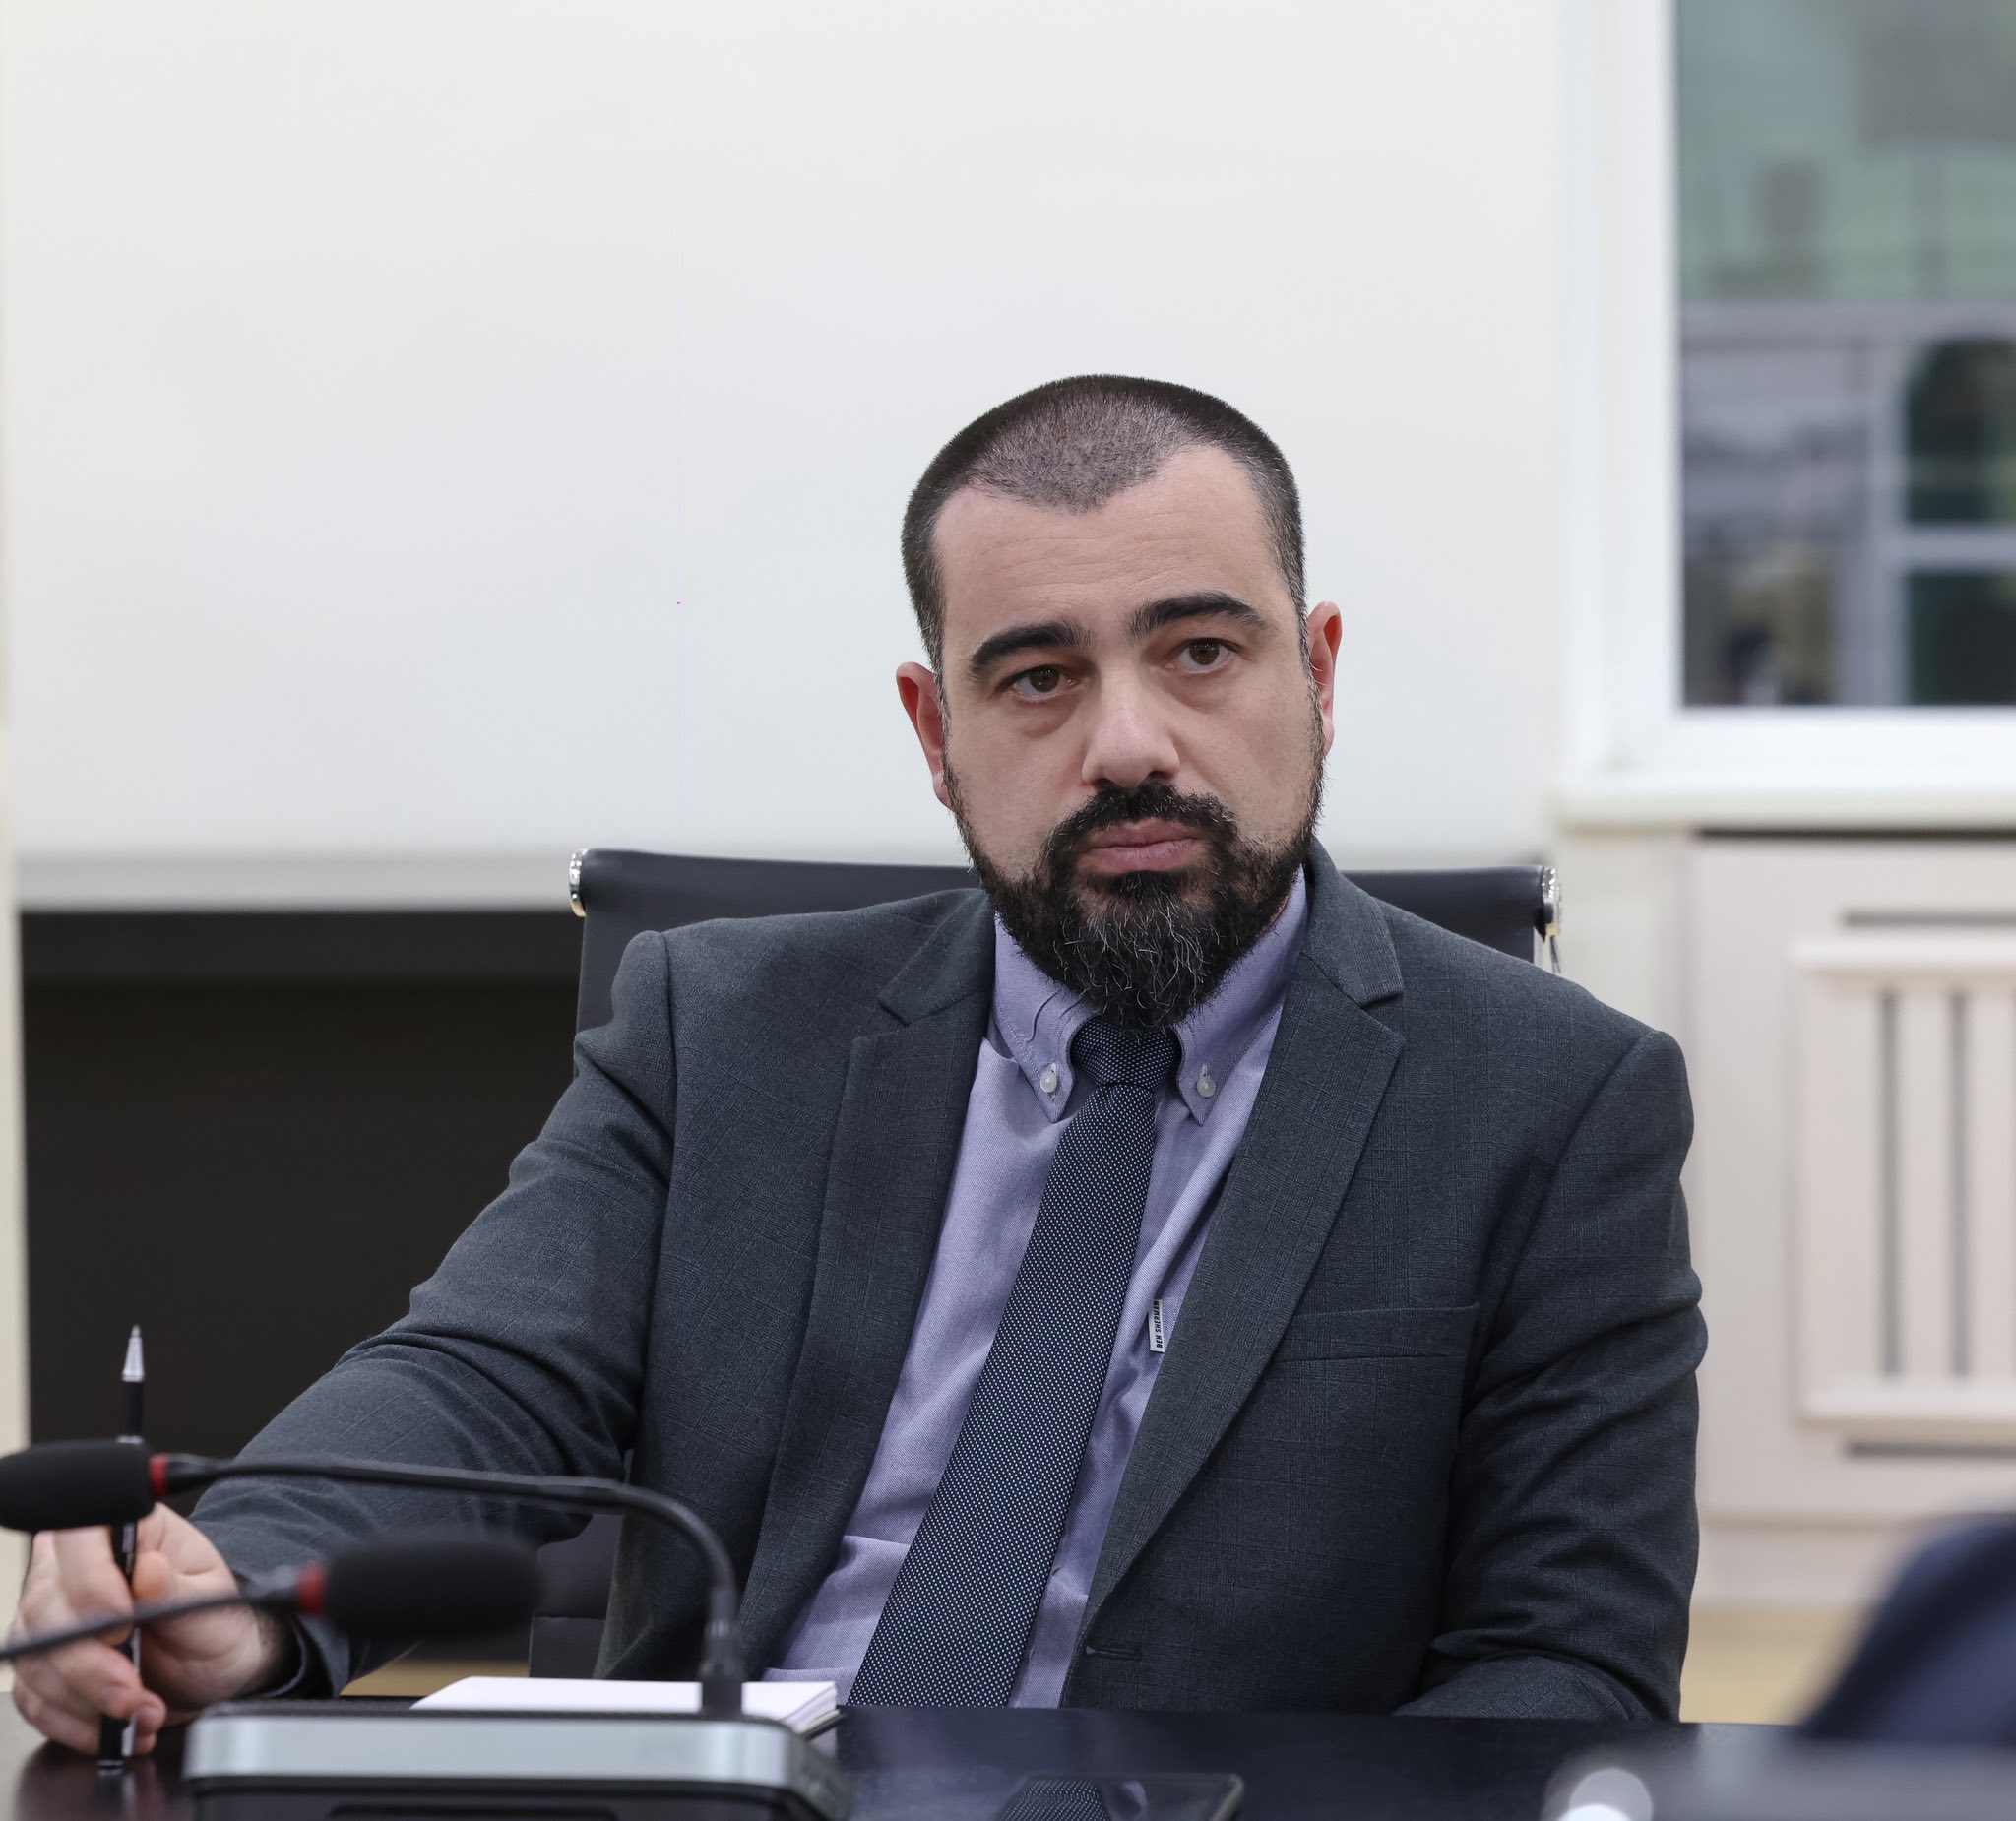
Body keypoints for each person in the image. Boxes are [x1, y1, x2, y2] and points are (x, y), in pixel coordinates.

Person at [12, 376, 1705, 1752]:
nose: (1129, 744)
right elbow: (480, 1383)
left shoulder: (1554, 1103)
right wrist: (232, 1579)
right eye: (1036, 678)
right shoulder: (723, 1029)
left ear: (1317, 674)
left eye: (1201, 652)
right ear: (933, 731)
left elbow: (1565, 1668)